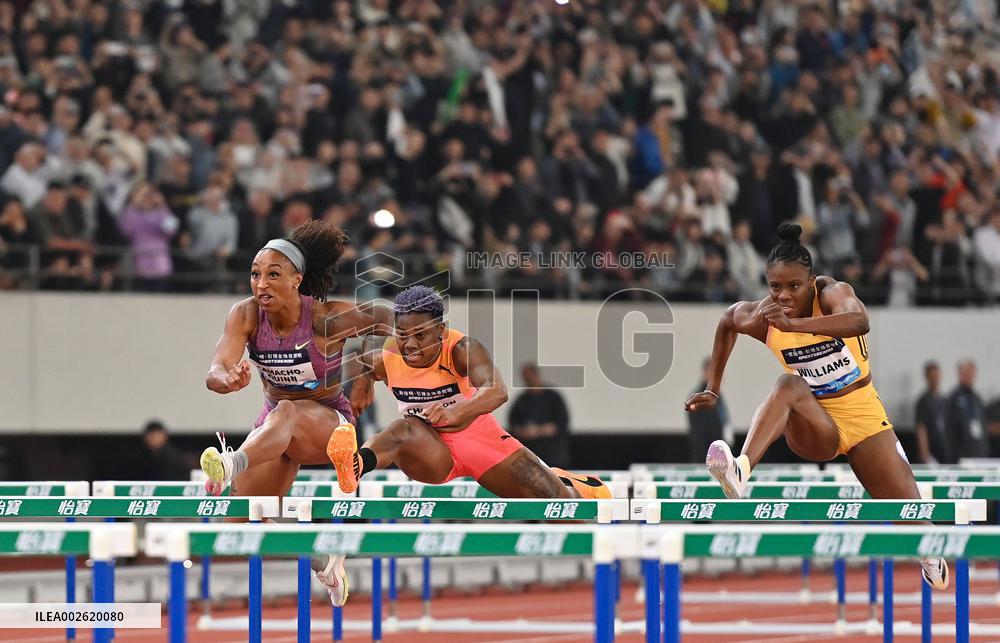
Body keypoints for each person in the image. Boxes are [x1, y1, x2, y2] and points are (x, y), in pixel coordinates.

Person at [684, 223, 949, 591]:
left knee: (912, 516)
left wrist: (797, 324)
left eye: (793, 286)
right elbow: (728, 321)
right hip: (816, 422)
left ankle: (929, 555)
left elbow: (860, 321)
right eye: (775, 287)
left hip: (864, 419)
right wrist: (713, 388)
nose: (784, 296)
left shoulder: (833, 293)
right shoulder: (765, 316)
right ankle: (740, 470)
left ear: (810, 281)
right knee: (788, 384)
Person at [197, 220, 394, 606]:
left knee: (287, 409)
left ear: (297, 280)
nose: (261, 284)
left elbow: (386, 318)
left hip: (330, 428)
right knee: (237, 525)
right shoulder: (246, 315)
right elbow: (215, 369)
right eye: (255, 275)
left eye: (273, 275)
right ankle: (320, 556)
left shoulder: (324, 318)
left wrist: (368, 374)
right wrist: (226, 380)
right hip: (275, 432)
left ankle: (231, 464)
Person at [334, 285, 609, 501]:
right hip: (428, 448)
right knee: (400, 430)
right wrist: (364, 383)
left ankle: (570, 484)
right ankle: (356, 464)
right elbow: (367, 361)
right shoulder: (385, 354)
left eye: (421, 335)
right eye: (403, 335)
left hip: (476, 436)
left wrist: (455, 411)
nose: (410, 345)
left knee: (556, 503)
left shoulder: (461, 348)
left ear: (440, 331)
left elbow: (497, 391)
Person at [507, 363, 572, 468]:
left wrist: (540, 430)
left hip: (553, 456)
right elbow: (513, 426)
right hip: (529, 457)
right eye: (525, 378)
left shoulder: (553, 398)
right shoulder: (521, 400)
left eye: (530, 377)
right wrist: (524, 431)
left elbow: (562, 424)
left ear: (536, 375)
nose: (528, 380)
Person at [687, 357, 729, 463]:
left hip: (720, 457)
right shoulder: (699, 398)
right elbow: (699, 433)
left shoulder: (718, 396)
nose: (721, 376)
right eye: (717, 372)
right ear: (706, 373)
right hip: (707, 459)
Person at [946, 359, 989, 460]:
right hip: (961, 455)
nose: (969, 375)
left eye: (971, 372)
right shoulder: (953, 399)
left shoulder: (977, 399)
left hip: (979, 454)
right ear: (960, 374)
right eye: (966, 372)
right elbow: (948, 432)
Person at [914, 361, 952, 464]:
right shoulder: (923, 401)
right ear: (927, 377)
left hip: (945, 449)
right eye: (932, 376)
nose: (935, 378)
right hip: (932, 450)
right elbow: (921, 428)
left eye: (936, 375)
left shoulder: (945, 400)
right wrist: (925, 453)